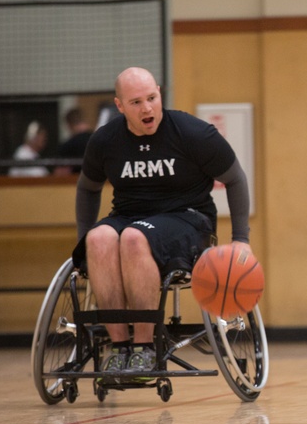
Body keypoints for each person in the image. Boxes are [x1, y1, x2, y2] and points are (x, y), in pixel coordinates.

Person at [73, 67, 252, 380]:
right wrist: (84, 238)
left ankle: (144, 348)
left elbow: (235, 178)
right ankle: (120, 349)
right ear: (119, 106)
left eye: (152, 98)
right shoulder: (106, 141)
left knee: (132, 238)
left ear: (160, 93)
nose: (147, 108)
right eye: (136, 102)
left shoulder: (193, 133)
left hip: (188, 218)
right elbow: (87, 188)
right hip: (129, 215)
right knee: (99, 239)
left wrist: (241, 239)